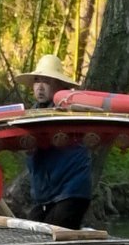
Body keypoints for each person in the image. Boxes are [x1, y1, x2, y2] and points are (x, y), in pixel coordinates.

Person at [22, 53, 95, 229]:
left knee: (51, 238)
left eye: (46, 81)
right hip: (46, 195)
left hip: (71, 191)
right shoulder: (30, 114)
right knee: (29, 232)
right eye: (37, 80)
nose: (40, 87)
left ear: (60, 86)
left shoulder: (70, 112)